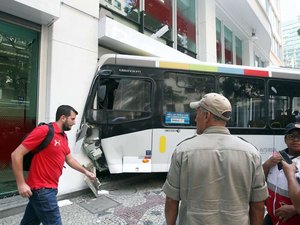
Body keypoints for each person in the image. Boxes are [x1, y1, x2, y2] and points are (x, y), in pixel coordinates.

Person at [162, 93, 268, 225]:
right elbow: (258, 205)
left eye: (198, 113)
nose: (195, 119)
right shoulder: (251, 153)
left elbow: (172, 200)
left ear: (207, 116)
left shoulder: (183, 150)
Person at [11, 105, 96, 225]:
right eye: (72, 119)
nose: (74, 122)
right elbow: (16, 155)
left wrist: (85, 171)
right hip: (42, 190)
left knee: (29, 222)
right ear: (63, 118)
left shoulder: (63, 137)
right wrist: (21, 183)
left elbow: (70, 159)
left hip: (49, 188)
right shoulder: (44, 130)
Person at [263, 123, 300, 225]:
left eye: (299, 136)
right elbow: (259, 179)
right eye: (291, 136)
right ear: (285, 139)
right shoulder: (275, 156)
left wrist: (295, 209)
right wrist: (267, 164)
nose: (295, 139)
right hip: (271, 218)